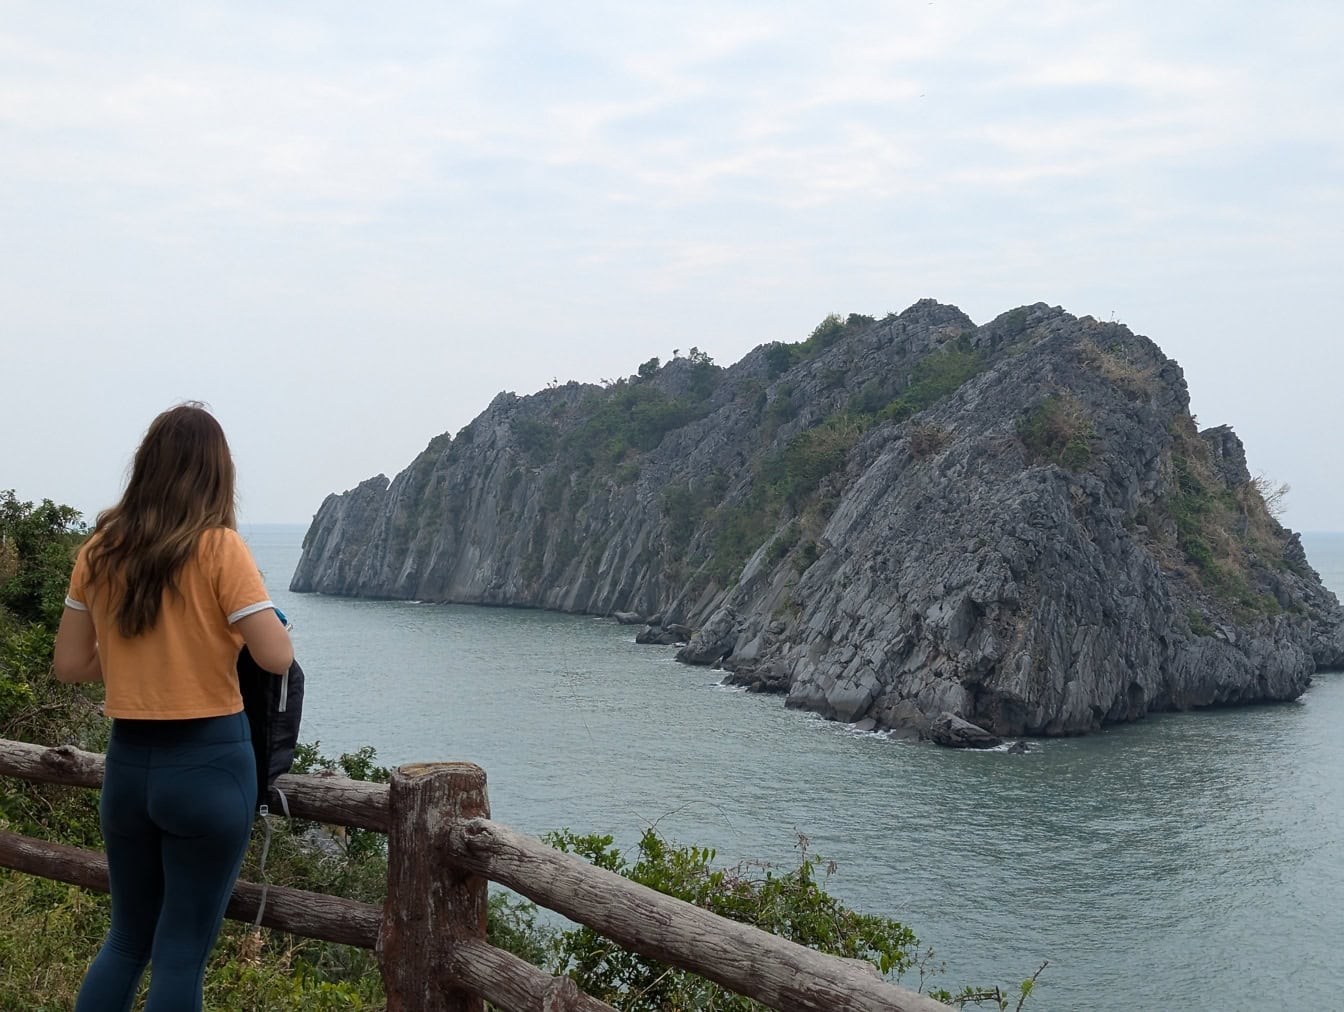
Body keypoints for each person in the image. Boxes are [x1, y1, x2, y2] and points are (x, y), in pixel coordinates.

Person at [53, 402, 293, 1012]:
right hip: (210, 765)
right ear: (218, 473)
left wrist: (146, 651)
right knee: (181, 951)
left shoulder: (99, 551)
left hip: (129, 771)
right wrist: (214, 637)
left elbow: (71, 665)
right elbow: (274, 657)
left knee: (127, 938)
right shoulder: (221, 548)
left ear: (145, 467)